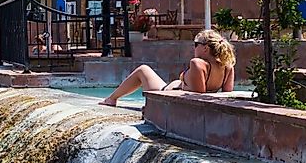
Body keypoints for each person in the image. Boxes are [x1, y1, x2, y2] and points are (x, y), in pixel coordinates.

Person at [99, 29, 236, 106]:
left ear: (205, 48)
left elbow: (197, 93)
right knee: (144, 70)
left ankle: (111, 99)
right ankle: (112, 98)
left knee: (143, 69)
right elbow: (227, 92)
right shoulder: (227, 67)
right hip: (175, 92)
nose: (193, 47)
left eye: (195, 44)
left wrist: (179, 84)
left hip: (167, 92)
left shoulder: (197, 63)